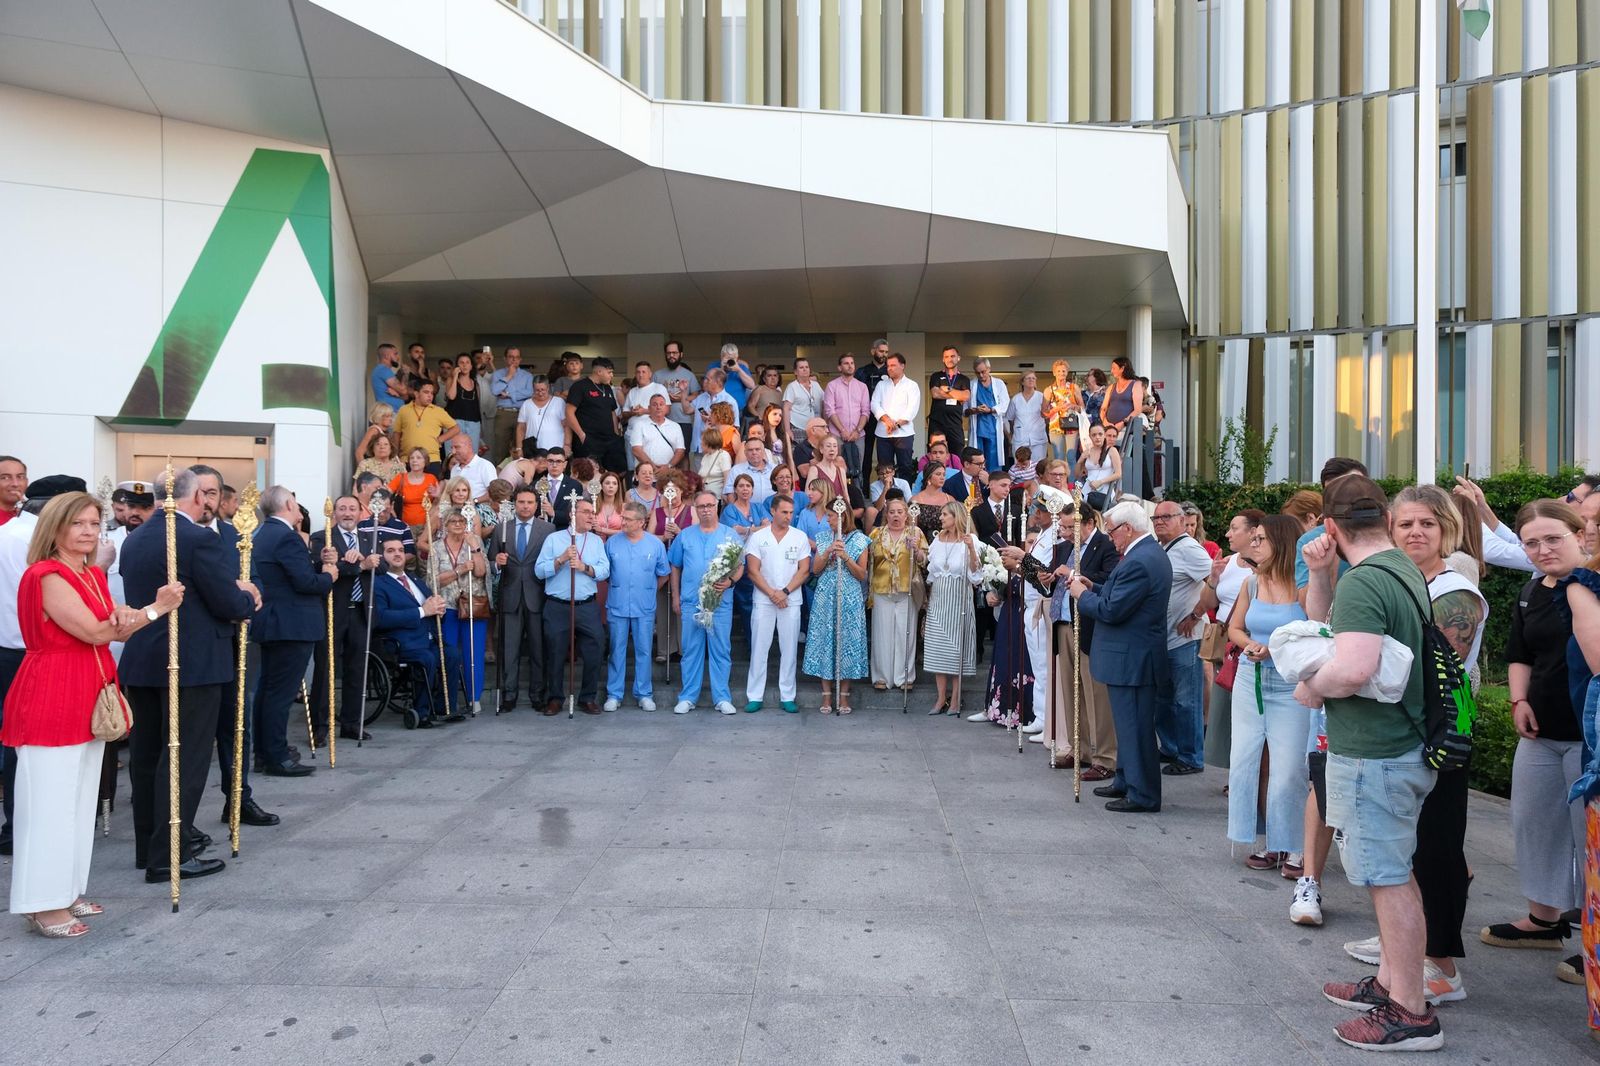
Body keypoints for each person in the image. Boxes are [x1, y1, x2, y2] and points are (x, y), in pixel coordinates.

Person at [1297, 475, 1441, 1052]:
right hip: (1400, 745)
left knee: (1387, 878)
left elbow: (1352, 667)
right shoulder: (1400, 568)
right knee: (1394, 870)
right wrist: (1324, 576)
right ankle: (1390, 985)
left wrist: (1312, 685)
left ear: (1329, 526)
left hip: (1376, 753)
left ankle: (1410, 1010)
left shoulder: (1366, 583)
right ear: (1384, 518)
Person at [3, 492, 180, 936]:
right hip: (53, 693)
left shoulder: (87, 574)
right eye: (77, 523)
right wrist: (156, 608)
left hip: (86, 690)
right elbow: (98, 630)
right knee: (50, 805)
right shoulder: (47, 575)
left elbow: (109, 620)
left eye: (92, 523)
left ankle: (63, 892)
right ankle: (42, 904)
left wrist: (125, 613)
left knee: (79, 802)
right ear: (55, 528)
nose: (87, 531)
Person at [1340, 485, 1489, 1006]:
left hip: (1445, 727)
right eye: (1405, 524)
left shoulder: (1453, 591)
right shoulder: (1405, 580)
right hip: (1412, 727)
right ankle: (1403, 950)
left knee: (1439, 846)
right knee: (1407, 846)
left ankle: (1442, 965)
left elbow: (1434, 669)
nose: (1415, 533)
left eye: (1427, 523)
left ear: (1446, 528)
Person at [120, 465, 258, 881]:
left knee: (146, 758)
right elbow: (226, 604)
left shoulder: (136, 538)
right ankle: (170, 855)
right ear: (197, 496)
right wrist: (248, 598)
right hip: (191, 663)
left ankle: (149, 847)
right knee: (185, 759)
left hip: (144, 659)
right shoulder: (198, 538)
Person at [1481, 500, 1590, 963]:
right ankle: (1544, 918)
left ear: (1580, 535)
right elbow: (1519, 652)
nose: (1543, 549)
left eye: (1553, 538)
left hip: (1590, 737)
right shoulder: (1531, 593)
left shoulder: (1592, 587)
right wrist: (1518, 700)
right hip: (1541, 731)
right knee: (1534, 823)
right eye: (1531, 542)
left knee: (1589, 835)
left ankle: (1591, 933)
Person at [1069, 501, 1172, 814]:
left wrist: (1082, 595)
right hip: (1131, 657)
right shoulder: (1145, 555)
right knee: (1127, 726)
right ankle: (1126, 780)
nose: (1110, 537)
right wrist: (1095, 586)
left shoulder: (1140, 560)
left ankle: (1142, 793)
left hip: (1133, 659)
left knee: (1135, 728)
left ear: (1128, 529)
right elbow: (1120, 595)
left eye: (1112, 530)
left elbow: (1112, 610)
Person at [1225, 514, 1310, 870]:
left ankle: (1294, 845)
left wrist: (1274, 649)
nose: (1253, 544)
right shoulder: (1251, 584)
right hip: (1251, 676)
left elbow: (1314, 633)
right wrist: (1249, 645)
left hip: (1291, 683)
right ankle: (1269, 840)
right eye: (1253, 538)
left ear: (1283, 543)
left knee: (1289, 766)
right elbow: (1234, 627)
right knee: (1244, 760)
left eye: (1260, 539)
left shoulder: (1303, 588)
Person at [252, 485, 337, 777]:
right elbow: (305, 583)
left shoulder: (262, 533)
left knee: (267, 690)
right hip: (291, 624)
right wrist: (328, 575)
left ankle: (264, 751)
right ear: (288, 504)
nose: (300, 510)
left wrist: (315, 562)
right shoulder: (286, 537)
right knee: (280, 694)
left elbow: (288, 574)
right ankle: (277, 755)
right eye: (296, 504)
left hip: (273, 621)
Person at [1040, 499, 1118, 778]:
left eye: (1068, 526)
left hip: (1089, 628)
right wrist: (1034, 572)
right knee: (1071, 691)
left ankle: (1105, 756)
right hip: (1063, 623)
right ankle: (1079, 749)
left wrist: (1073, 573)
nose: (1063, 531)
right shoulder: (1063, 547)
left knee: (1096, 694)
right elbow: (1051, 580)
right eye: (1061, 525)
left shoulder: (1105, 546)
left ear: (1088, 523)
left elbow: (1108, 580)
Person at [1152, 499, 1216, 777]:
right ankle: (1171, 746)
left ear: (1182, 520)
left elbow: (1215, 581)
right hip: (1163, 637)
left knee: (1186, 700)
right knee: (1164, 697)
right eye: (1155, 519)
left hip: (1185, 639)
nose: (1160, 522)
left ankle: (1191, 756)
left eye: (1167, 517)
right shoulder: (1163, 548)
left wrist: (1196, 614)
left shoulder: (1190, 548)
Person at [307, 496, 377, 744]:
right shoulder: (321, 537)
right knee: (325, 669)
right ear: (334, 513)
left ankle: (351, 723)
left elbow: (380, 566)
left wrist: (369, 563)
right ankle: (320, 726)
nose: (347, 513)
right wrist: (359, 565)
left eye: (352, 509)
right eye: (342, 509)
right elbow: (322, 568)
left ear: (360, 512)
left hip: (360, 611)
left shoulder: (369, 537)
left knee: (357, 669)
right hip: (332, 611)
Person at [369, 537, 459, 728]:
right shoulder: (378, 583)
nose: (397, 554)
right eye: (391, 550)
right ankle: (421, 711)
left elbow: (430, 607)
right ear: (381, 556)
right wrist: (422, 611)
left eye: (400, 550)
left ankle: (445, 707)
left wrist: (438, 610)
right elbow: (382, 618)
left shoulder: (415, 579)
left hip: (427, 638)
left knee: (451, 653)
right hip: (400, 642)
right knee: (426, 658)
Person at [669, 491, 744, 715]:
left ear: (717, 507)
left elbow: (740, 565)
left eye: (710, 505)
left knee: (720, 649)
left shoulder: (730, 535)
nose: (706, 510)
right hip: (691, 602)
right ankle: (688, 697)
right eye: (701, 506)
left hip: (720, 603)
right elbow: (675, 566)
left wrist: (730, 581)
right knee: (691, 650)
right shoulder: (685, 536)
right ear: (696, 509)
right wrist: (675, 596)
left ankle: (722, 697)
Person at [1202, 509, 1265, 773]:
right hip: (1225, 641)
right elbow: (1207, 604)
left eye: (1234, 528)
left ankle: (1247, 771)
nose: (1227, 533)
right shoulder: (1227, 562)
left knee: (1244, 710)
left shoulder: (1264, 566)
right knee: (1225, 708)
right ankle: (1233, 769)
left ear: (1253, 532)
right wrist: (1214, 579)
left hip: (1250, 643)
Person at [534, 498, 609, 714]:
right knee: (556, 652)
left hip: (586, 605)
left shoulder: (595, 541)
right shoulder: (554, 539)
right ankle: (555, 698)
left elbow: (605, 570)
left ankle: (587, 697)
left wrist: (585, 568)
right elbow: (539, 571)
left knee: (595, 649)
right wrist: (561, 559)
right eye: (586, 512)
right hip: (558, 605)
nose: (591, 516)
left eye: (592, 512)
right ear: (572, 515)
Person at [489, 487, 554, 714]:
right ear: (514, 504)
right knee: (510, 649)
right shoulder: (501, 530)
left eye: (529, 502)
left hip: (538, 596)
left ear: (536, 505)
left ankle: (538, 694)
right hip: (510, 596)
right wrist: (497, 562)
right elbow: (491, 564)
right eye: (521, 502)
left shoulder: (548, 530)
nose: (525, 506)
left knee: (538, 649)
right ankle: (509, 694)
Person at [744, 495, 810, 713]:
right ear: (773, 511)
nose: (789, 516)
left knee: (789, 649)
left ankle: (787, 695)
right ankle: (754, 695)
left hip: (790, 600)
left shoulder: (799, 537)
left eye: (791, 512)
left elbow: (804, 570)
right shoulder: (758, 537)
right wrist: (773, 593)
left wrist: (784, 592)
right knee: (759, 648)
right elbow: (753, 570)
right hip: (764, 600)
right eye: (784, 512)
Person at [803, 499, 869, 714]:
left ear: (842, 516)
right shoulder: (823, 538)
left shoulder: (860, 540)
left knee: (847, 641)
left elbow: (861, 574)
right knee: (825, 640)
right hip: (826, 594)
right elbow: (815, 569)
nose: (828, 519)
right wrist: (829, 550)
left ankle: (844, 696)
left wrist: (846, 557)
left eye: (831, 516)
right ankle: (826, 695)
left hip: (849, 594)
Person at [602, 502, 668, 712]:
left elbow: (664, 573)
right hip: (617, 603)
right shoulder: (612, 543)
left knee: (643, 650)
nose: (624, 522)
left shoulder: (655, 544)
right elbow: (605, 572)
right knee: (616, 650)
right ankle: (614, 693)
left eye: (628, 519)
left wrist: (649, 589)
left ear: (641, 522)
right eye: (623, 518)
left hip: (644, 605)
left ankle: (644, 693)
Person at [923, 501, 980, 716]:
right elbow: (931, 568)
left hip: (959, 596)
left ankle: (955, 699)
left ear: (956, 517)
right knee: (939, 648)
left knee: (957, 649)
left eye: (945, 514)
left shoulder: (970, 539)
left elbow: (976, 574)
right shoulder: (937, 539)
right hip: (939, 596)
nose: (941, 518)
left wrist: (972, 549)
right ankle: (940, 698)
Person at [431, 505, 488, 715]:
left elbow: (481, 572)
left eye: (462, 522)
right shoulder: (436, 547)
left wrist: (475, 549)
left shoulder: (474, 542)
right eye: (453, 522)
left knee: (474, 653)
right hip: (447, 607)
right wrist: (460, 570)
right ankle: (449, 698)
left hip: (473, 605)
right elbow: (433, 581)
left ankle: (474, 697)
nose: (458, 525)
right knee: (449, 654)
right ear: (445, 525)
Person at [868, 498, 926, 692]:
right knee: (882, 633)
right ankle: (881, 676)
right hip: (881, 588)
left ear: (906, 514)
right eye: (892, 512)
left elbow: (924, 561)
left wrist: (915, 550)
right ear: (886, 514)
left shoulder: (915, 532)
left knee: (905, 633)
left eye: (900, 512)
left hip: (906, 588)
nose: (896, 515)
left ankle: (905, 676)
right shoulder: (876, 534)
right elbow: (870, 561)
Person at [566, 357, 625, 473]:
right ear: (599, 372)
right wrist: (582, 435)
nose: (612, 375)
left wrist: (616, 434)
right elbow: (569, 412)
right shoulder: (580, 386)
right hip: (589, 440)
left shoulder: (607, 388)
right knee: (589, 474)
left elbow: (612, 412)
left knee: (617, 472)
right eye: (609, 372)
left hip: (609, 439)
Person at [871, 353, 920, 484]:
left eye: (893, 365)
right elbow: (874, 404)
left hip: (904, 433)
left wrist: (896, 425)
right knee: (885, 468)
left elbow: (912, 409)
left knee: (905, 467)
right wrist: (887, 420)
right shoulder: (882, 385)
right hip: (883, 433)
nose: (889, 368)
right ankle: (886, 498)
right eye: (888, 366)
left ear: (902, 366)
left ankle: (904, 498)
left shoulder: (912, 385)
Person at [825, 352, 873, 485]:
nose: (850, 366)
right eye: (846, 363)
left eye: (852, 363)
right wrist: (842, 431)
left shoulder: (862, 387)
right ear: (839, 367)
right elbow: (830, 410)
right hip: (837, 435)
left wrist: (857, 431)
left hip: (858, 436)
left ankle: (857, 500)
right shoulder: (832, 386)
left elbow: (866, 411)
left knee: (858, 469)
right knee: (836, 468)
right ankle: (838, 500)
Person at [394, 380, 459, 468]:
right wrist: (395, 455)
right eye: (426, 392)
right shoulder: (404, 410)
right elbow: (397, 433)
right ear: (416, 394)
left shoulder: (438, 411)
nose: (430, 396)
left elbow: (455, 428)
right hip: (407, 459)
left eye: (432, 393)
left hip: (432, 459)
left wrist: (440, 439)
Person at [489, 348, 535, 462]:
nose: (514, 360)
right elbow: (495, 390)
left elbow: (530, 392)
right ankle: (499, 477)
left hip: (522, 414)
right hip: (503, 413)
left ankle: (520, 475)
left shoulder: (528, 376)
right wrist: (508, 376)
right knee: (500, 448)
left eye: (517, 357)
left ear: (520, 359)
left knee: (520, 448)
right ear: (505, 358)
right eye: (511, 357)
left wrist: (509, 394)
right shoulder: (497, 374)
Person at [655, 340, 698, 454]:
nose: (671, 356)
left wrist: (682, 398)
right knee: (663, 454)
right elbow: (651, 397)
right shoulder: (657, 375)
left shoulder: (689, 375)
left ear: (681, 354)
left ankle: (684, 474)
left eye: (674, 353)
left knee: (683, 455)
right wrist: (665, 397)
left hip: (683, 420)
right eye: (668, 353)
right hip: (661, 421)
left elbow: (696, 395)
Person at [966, 359, 1009, 472]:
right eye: (977, 373)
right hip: (978, 426)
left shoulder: (999, 384)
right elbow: (964, 409)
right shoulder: (971, 385)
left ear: (989, 369)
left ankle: (994, 485)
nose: (981, 375)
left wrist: (990, 410)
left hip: (993, 427)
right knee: (977, 459)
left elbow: (1005, 404)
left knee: (993, 459)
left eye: (983, 372)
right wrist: (975, 410)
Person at [927, 346, 970, 455]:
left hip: (955, 424)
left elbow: (965, 396)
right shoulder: (936, 376)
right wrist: (957, 395)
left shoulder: (964, 379)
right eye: (946, 356)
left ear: (958, 358)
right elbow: (935, 394)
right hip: (937, 423)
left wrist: (948, 389)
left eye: (952, 356)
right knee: (936, 455)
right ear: (943, 359)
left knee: (957, 456)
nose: (949, 359)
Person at [439, 353, 484, 453]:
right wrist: (455, 376)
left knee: (471, 453)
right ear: (457, 366)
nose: (464, 365)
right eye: (461, 363)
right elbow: (451, 396)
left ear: (471, 366)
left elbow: (477, 406)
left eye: (467, 362)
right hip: (454, 422)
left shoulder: (475, 383)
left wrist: (481, 427)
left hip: (473, 423)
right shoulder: (451, 379)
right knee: (453, 453)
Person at [628, 394, 686, 471]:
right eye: (654, 405)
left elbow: (680, 451)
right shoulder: (639, 425)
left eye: (661, 404)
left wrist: (668, 466)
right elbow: (636, 450)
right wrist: (652, 467)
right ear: (649, 408)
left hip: (668, 473)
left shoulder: (675, 426)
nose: (658, 407)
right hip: (646, 473)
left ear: (666, 407)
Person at [514, 376, 568, 458]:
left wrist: (567, 445)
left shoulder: (559, 402)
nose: (540, 393)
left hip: (555, 449)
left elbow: (567, 426)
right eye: (537, 390)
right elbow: (521, 428)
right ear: (533, 389)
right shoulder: (526, 404)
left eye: (543, 390)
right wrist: (519, 448)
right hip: (532, 451)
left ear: (548, 387)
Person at [389, 447, 439, 535]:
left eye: (418, 458)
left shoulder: (431, 478)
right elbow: (385, 494)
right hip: (405, 526)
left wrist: (437, 495)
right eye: (412, 458)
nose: (414, 460)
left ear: (425, 461)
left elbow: (439, 502)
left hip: (427, 527)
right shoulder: (401, 478)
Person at [1042, 359, 1083, 463]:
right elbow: (1043, 413)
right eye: (1059, 371)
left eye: (1064, 371)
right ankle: (1059, 479)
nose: (1061, 373)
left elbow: (1082, 408)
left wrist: (1073, 406)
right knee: (1058, 457)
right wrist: (1057, 408)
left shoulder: (1074, 388)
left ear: (1067, 372)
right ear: (1054, 373)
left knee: (1071, 457)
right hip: (1055, 427)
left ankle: (1072, 480)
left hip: (1072, 425)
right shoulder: (1049, 390)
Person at [782, 357, 825, 452]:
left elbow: (824, 404)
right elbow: (786, 409)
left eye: (807, 367)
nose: (805, 369)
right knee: (800, 453)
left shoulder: (816, 385)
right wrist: (787, 430)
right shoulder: (792, 387)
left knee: (816, 453)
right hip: (798, 426)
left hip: (816, 427)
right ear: (795, 372)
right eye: (801, 367)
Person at [1005, 371, 1048, 465]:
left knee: (1039, 467)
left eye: (1033, 378)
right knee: (1020, 467)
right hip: (1020, 439)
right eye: (1028, 378)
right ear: (1022, 382)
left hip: (1038, 439)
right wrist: (1012, 434)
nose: (1031, 380)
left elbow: (1047, 416)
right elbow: (1010, 419)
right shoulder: (1016, 399)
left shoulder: (1042, 397)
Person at [1076, 423, 1121, 505]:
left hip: (1104, 492)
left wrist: (1100, 482)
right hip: (1087, 491)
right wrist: (1080, 459)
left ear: (1104, 435)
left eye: (1100, 434)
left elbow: (1118, 474)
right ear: (1090, 436)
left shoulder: (1112, 450)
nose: (1097, 437)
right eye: (1094, 435)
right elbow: (1077, 474)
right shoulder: (1087, 452)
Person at [446, 434, 496, 503]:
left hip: (479, 508)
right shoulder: (454, 469)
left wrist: (474, 501)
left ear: (469, 446)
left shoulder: (485, 465)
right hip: (458, 509)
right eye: (452, 448)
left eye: (457, 447)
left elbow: (494, 493)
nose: (453, 452)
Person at [371, 343, 408, 411]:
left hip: (393, 413)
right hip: (389, 414)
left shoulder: (386, 371)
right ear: (386, 356)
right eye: (395, 354)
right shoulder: (383, 370)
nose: (398, 357)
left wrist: (398, 395)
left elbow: (405, 397)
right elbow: (403, 390)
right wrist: (405, 374)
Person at [591, 471, 627, 538]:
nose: (611, 486)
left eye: (614, 483)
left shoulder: (624, 507)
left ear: (618, 487)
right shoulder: (593, 506)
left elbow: (626, 531)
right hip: (598, 544)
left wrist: (602, 530)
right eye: (607, 483)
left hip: (618, 544)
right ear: (601, 486)